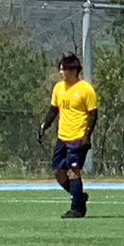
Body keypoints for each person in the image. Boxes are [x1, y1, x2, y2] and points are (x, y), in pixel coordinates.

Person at [39, 52, 98, 219]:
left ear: (73, 71)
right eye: (60, 69)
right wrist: (44, 126)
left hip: (77, 138)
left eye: (63, 69)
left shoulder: (86, 90)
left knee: (73, 172)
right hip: (62, 138)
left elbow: (93, 114)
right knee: (59, 173)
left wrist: (87, 136)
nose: (61, 72)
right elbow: (54, 110)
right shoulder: (59, 88)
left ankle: (77, 209)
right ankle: (79, 197)